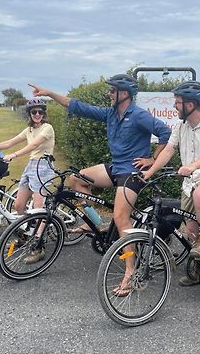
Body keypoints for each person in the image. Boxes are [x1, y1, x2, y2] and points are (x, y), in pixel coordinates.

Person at [28, 74, 171, 294]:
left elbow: (165, 132)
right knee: (76, 179)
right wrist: (48, 93)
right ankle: (92, 221)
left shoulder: (139, 115)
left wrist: (152, 159)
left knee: (120, 218)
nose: (109, 94)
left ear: (124, 93)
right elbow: (77, 106)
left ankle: (130, 274)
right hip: (115, 168)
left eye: (112, 90)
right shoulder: (111, 113)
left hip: (132, 173)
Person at [143, 81, 200, 286]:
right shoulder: (180, 127)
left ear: (190, 105)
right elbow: (167, 151)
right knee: (191, 233)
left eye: (177, 102)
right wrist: (150, 172)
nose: (174, 106)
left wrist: (192, 166)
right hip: (190, 184)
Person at [0, 99, 56, 263]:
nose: (37, 115)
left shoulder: (47, 128)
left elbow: (34, 145)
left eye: (40, 111)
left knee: (39, 208)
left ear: (44, 113)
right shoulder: (29, 129)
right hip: (31, 166)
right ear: (29, 114)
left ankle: (39, 246)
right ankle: (27, 235)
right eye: (34, 112)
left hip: (43, 166)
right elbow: (9, 142)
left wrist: (14, 155)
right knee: (18, 205)